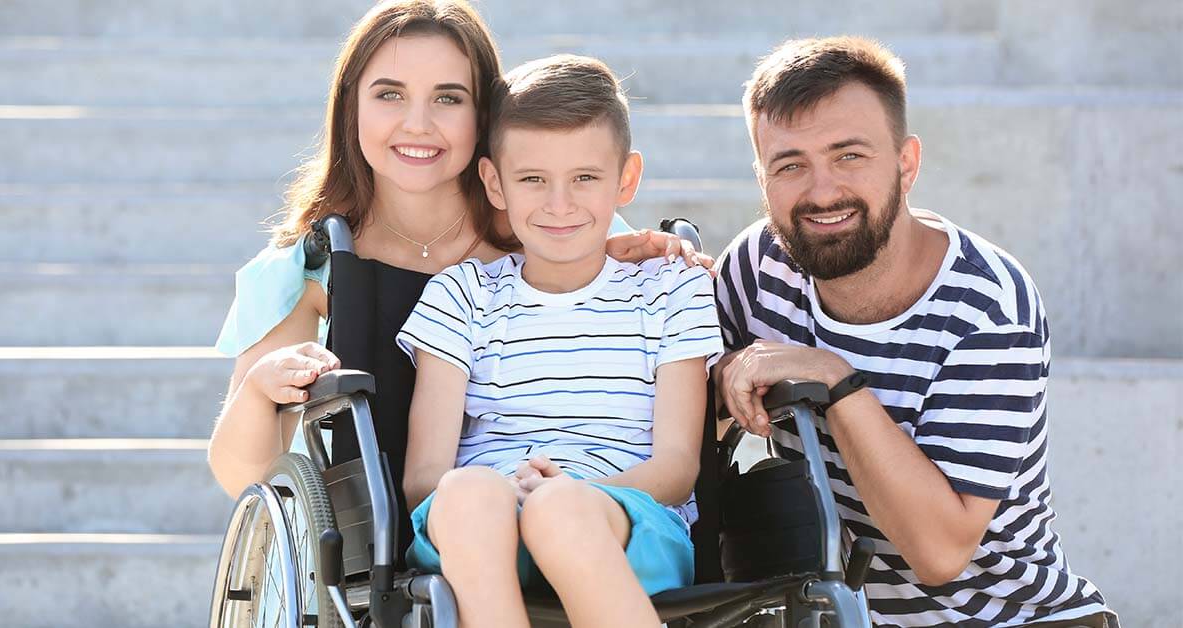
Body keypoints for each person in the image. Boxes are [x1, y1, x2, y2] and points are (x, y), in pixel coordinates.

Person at [206, 0, 707, 500]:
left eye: (448, 98)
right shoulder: (316, 264)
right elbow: (241, 477)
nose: (418, 124)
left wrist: (669, 254)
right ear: (351, 104)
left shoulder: (549, 220)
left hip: (571, 498)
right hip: (401, 532)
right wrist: (258, 389)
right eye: (390, 95)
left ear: (483, 115)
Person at [713, 37, 1116, 627]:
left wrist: (835, 381)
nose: (822, 191)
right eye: (791, 164)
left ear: (907, 164)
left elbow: (939, 553)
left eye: (849, 156)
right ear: (762, 176)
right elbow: (675, 402)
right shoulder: (758, 268)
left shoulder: (987, 308)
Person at [397, 55, 724, 628]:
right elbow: (425, 476)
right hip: (476, 528)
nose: (559, 204)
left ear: (626, 179)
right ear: (494, 183)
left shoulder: (672, 288)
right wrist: (512, 495)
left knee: (560, 510)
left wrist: (564, 492)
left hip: (626, 519)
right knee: (471, 493)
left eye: (584, 178)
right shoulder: (461, 294)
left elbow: (676, 466)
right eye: (532, 180)